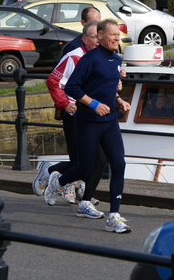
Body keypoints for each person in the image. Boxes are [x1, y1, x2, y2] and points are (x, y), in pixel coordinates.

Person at [44, 19, 132, 233]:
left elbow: (107, 86)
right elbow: (72, 87)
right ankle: (58, 182)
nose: (116, 39)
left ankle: (114, 216)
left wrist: (118, 100)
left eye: (118, 36)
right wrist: (93, 104)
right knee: (86, 168)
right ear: (100, 36)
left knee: (118, 165)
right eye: (112, 35)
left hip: (109, 122)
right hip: (88, 122)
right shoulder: (89, 59)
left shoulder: (116, 59)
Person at [33, 21, 106, 206]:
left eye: (100, 37)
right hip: (73, 114)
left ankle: (84, 195)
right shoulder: (74, 57)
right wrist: (65, 104)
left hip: (91, 114)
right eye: (94, 37)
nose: (98, 41)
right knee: (81, 161)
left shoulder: (100, 57)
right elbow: (53, 81)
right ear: (84, 38)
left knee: (97, 159)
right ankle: (51, 174)